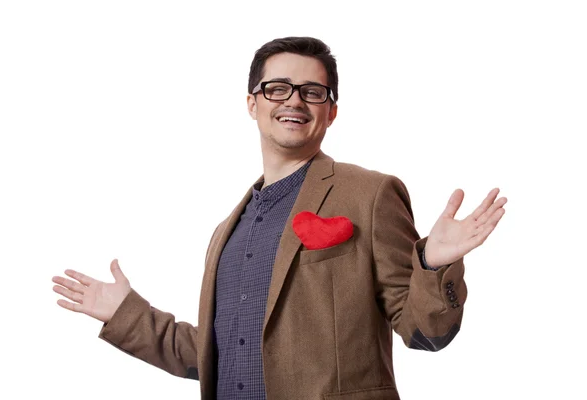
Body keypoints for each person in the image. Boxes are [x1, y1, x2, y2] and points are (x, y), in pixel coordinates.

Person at [52, 36, 507, 400]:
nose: (295, 101)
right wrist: (126, 315)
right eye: (278, 89)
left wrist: (433, 263)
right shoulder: (226, 232)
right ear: (253, 104)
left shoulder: (369, 194)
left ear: (331, 111)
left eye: (313, 92)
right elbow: (216, 354)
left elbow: (423, 331)